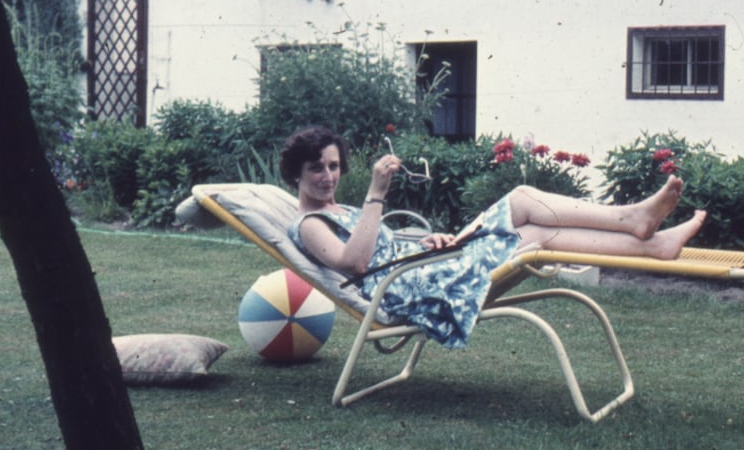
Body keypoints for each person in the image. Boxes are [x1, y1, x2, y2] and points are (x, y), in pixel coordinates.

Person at [280, 125, 705, 347]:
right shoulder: (310, 224)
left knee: (532, 224)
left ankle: (652, 239)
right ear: (295, 175)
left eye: (333, 166)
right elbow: (356, 263)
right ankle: (634, 221)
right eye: (316, 168)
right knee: (523, 210)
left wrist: (425, 243)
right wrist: (376, 194)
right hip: (413, 290)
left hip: (422, 268)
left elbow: (378, 247)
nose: (328, 176)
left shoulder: (340, 210)